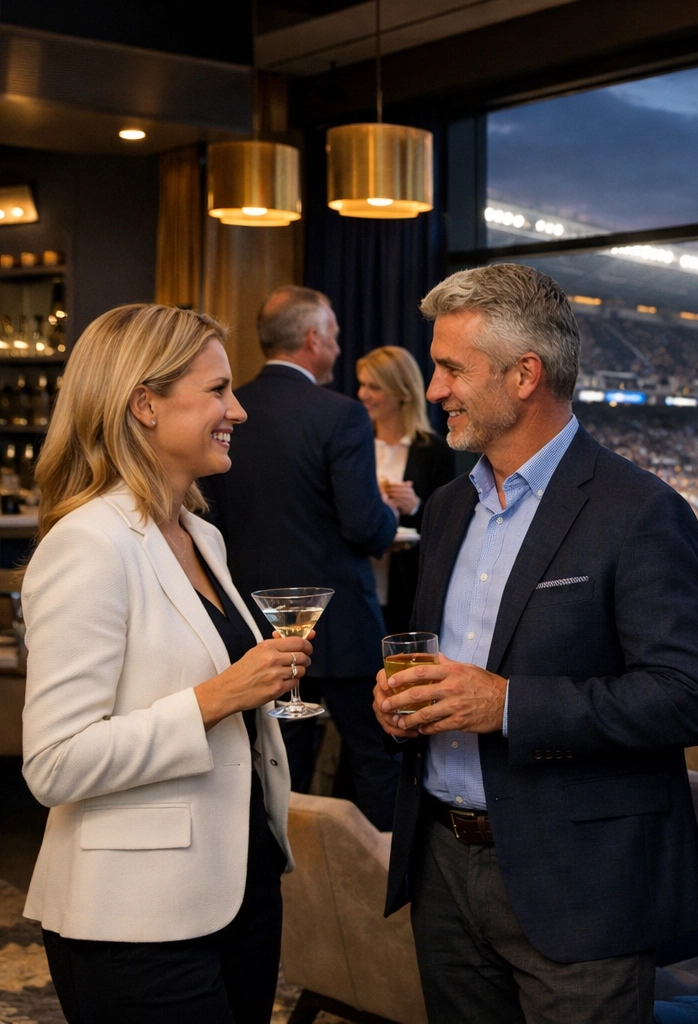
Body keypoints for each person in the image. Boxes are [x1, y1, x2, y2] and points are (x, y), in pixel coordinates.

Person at [371, 264, 698, 1024]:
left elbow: (690, 697)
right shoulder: (445, 511)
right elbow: (436, 664)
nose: (435, 391)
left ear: (526, 375)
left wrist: (506, 705)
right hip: (440, 865)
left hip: (579, 884)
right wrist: (401, 701)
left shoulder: (640, 512)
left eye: (452, 369)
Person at [21, 304, 313, 1023]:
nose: (238, 411)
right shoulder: (90, 543)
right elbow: (54, 763)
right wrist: (216, 697)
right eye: (217, 390)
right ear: (143, 404)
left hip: (238, 890)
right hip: (134, 920)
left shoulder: (200, 536)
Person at [200, 286, 401, 830]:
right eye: (333, 337)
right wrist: (390, 515)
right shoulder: (340, 415)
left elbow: (209, 521)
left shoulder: (224, 411)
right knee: (375, 757)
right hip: (340, 625)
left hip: (254, 624)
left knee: (276, 762)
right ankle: (384, 894)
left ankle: (287, 878)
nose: (336, 349)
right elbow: (363, 524)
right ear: (313, 338)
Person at [357, 345, 458, 635]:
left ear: (401, 391)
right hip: (359, 585)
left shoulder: (434, 450)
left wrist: (415, 507)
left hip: (408, 586)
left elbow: (450, 525)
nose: (363, 394)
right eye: (362, 384)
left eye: (374, 386)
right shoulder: (352, 445)